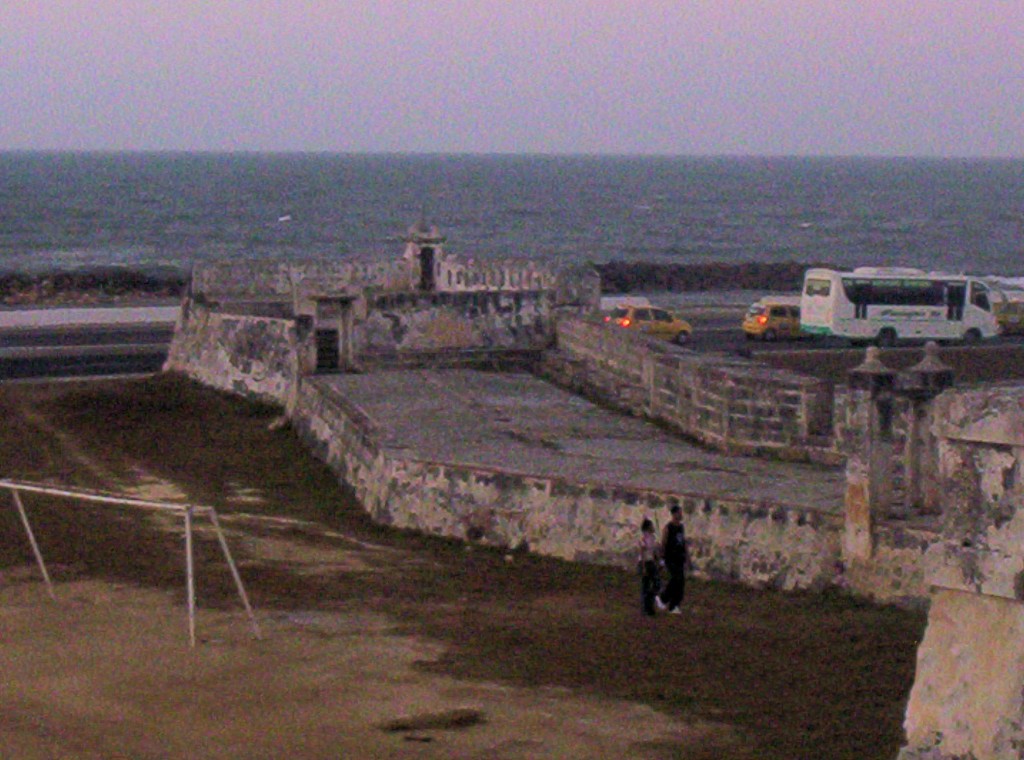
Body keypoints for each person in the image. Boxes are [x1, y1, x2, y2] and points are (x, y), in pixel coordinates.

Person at [656, 505, 688, 614]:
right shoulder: (668, 528)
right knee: (676, 579)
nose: (681, 515)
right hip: (671, 558)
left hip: (679, 558)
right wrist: (662, 559)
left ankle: (674, 604)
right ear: (674, 514)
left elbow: (683, 542)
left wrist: (686, 557)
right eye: (679, 513)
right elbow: (663, 544)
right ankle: (665, 599)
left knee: (680, 582)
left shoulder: (681, 527)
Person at [637, 518, 661, 616]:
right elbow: (642, 553)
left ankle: (647, 605)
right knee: (649, 585)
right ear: (648, 528)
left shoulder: (652, 538)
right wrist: (643, 567)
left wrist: (658, 561)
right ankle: (648, 607)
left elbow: (654, 552)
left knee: (653, 585)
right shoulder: (643, 538)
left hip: (650, 562)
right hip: (645, 563)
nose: (653, 527)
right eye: (651, 526)